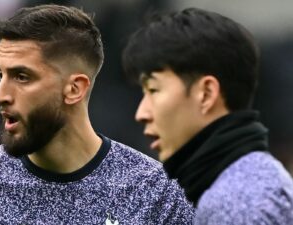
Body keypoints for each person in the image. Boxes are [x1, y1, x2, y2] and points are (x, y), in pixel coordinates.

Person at [0, 4, 194, 224]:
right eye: (1, 75)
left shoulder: (154, 190)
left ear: (74, 89)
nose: (0, 95)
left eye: (22, 76)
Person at [122, 7, 293, 225]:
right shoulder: (251, 183)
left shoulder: (234, 205)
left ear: (206, 94)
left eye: (154, 90)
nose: (141, 113)